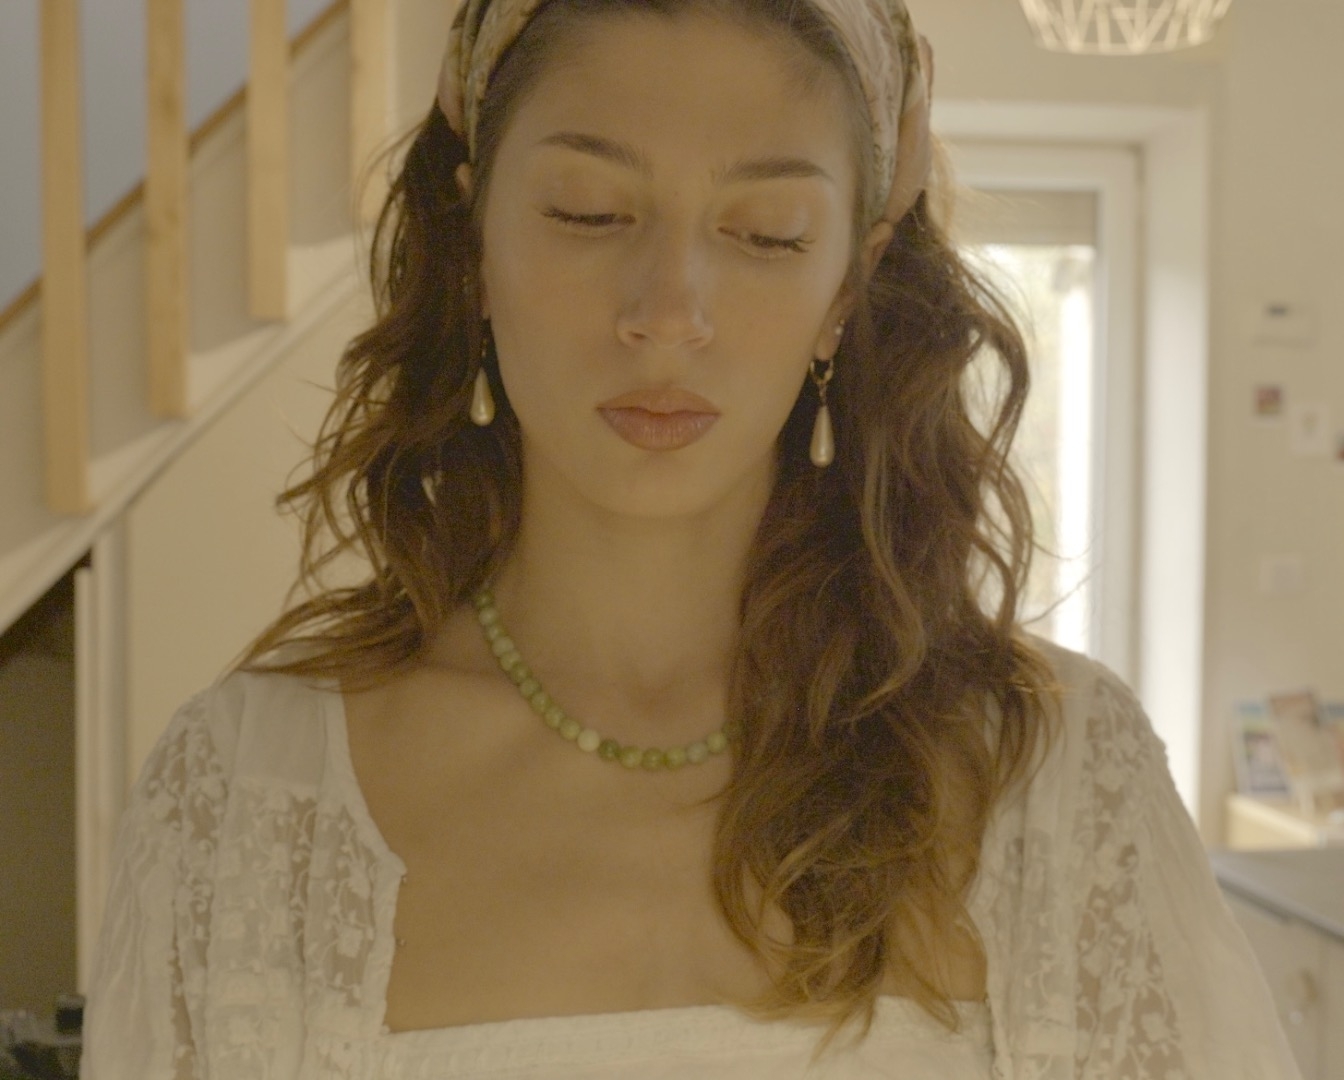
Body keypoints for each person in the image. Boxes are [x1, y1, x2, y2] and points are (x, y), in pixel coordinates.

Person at [82, 0, 1301, 1076]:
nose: (669, 313)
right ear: (474, 247)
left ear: (846, 289)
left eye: (766, 233)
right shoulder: (241, 800)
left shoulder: (1059, 786)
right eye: (589, 211)